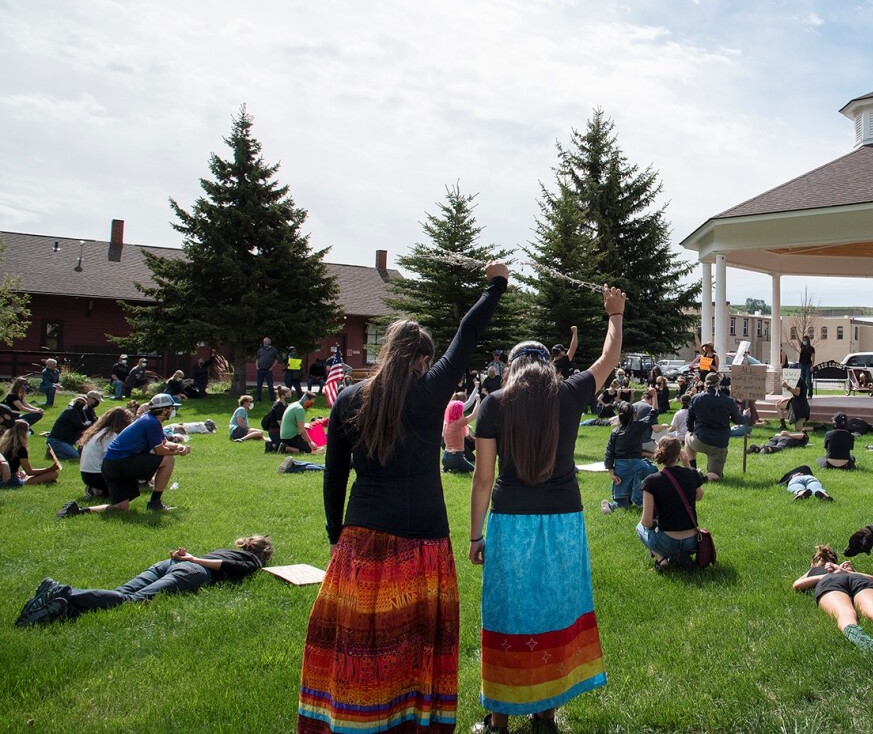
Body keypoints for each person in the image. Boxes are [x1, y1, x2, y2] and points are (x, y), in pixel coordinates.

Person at [298, 261, 507, 734]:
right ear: (420, 360)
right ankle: (410, 721)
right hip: (423, 544)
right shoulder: (431, 392)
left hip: (362, 536)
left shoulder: (350, 398)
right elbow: (467, 333)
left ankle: (354, 719)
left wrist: (336, 536)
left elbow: (333, 478)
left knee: (359, 645)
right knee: (414, 643)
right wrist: (496, 284)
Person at [467, 285, 625, 734]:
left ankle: (498, 721)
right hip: (564, 522)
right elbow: (608, 360)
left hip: (510, 522)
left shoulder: (493, 405)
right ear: (547, 364)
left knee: (506, 613)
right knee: (554, 611)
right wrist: (614, 314)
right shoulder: (569, 393)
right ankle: (546, 716)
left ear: (512, 368)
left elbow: (482, 479)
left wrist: (476, 536)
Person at [15, 535, 273, 627]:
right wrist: (195, 560)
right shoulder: (253, 562)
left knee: (119, 593)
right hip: (193, 571)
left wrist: (186, 557)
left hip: (173, 563)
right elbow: (228, 567)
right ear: (262, 554)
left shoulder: (227, 549)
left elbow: (224, 560)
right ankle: (66, 593)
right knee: (129, 600)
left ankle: (63, 606)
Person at [57, 393, 189, 516]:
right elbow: (159, 450)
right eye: (172, 408)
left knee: (121, 508)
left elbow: (164, 442)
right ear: (164, 409)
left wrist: (178, 446)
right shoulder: (152, 423)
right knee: (168, 460)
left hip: (111, 466)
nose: (173, 411)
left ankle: (79, 511)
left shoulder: (149, 419)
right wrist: (179, 452)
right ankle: (155, 503)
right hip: (121, 464)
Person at [792, 544, 873, 654]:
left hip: (829, 582)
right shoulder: (845, 567)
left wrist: (828, 575)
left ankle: (854, 631)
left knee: (845, 613)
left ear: (814, 562)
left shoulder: (814, 570)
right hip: (857, 580)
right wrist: (846, 572)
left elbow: (797, 585)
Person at [636, 435, 703, 571]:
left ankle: (661, 559)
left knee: (640, 527)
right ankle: (679, 556)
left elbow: (647, 522)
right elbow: (699, 496)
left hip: (668, 541)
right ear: (679, 454)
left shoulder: (651, 481)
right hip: (693, 541)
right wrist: (687, 465)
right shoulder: (691, 474)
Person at [601, 402, 659, 514]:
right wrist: (654, 395)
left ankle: (610, 506)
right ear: (634, 414)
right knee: (655, 472)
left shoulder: (615, 432)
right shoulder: (637, 427)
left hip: (621, 469)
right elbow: (654, 414)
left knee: (622, 503)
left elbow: (609, 453)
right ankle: (643, 498)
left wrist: (612, 473)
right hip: (638, 466)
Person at [686, 372, 742, 482]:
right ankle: (704, 478)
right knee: (715, 476)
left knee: (687, 437)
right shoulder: (728, 400)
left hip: (699, 441)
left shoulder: (696, 398)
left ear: (706, 384)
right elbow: (738, 420)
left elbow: (689, 420)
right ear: (719, 384)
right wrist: (746, 416)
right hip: (719, 445)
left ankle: (692, 470)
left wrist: (691, 431)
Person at [77, 406, 133, 499]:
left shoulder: (98, 432)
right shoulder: (109, 435)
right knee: (128, 490)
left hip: (86, 474)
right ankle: (98, 490)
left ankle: (97, 489)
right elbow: (112, 458)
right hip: (97, 475)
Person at [1, 420, 61, 487]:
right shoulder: (20, 449)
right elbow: (29, 472)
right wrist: (50, 469)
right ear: (23, 433)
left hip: (6, 475)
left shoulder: (3, 445)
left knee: (24, 472)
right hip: (10, 480)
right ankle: (25, 482)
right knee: (53, 474)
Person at [45, 395, 94, 460]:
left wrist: (87, 419)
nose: (80, 404)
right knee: (75, 457)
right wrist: (90, 422)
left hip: (65, 442)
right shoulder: (71, 411)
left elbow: (85, 421)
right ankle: (52, 454)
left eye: (83, 403)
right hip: (57, 441)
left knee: (78, 455)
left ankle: (55, 452)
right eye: (79, 402)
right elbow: (82, 426)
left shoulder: (78, 411)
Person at [442, 397, 478, 473]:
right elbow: (474, 415)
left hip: (445, 458)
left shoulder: (446, 423)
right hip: (456, 457)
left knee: (462, 464)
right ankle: (455, 468)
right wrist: (478, 400)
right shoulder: (458, 423)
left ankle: (449, 468)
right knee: (474, 470)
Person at [255, 337, 280, 402]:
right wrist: (257, 367)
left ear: (269, 342)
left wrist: (271, 368)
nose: (264, 342)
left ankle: (272, 399)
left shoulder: (274, 350)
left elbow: (276, 360)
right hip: (260, 370)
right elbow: (257, 359)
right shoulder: (260, 350)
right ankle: (258, 399)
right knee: (259, 385)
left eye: (266, 341)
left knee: (270, 385)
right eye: (264, 341)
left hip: (268, 370)